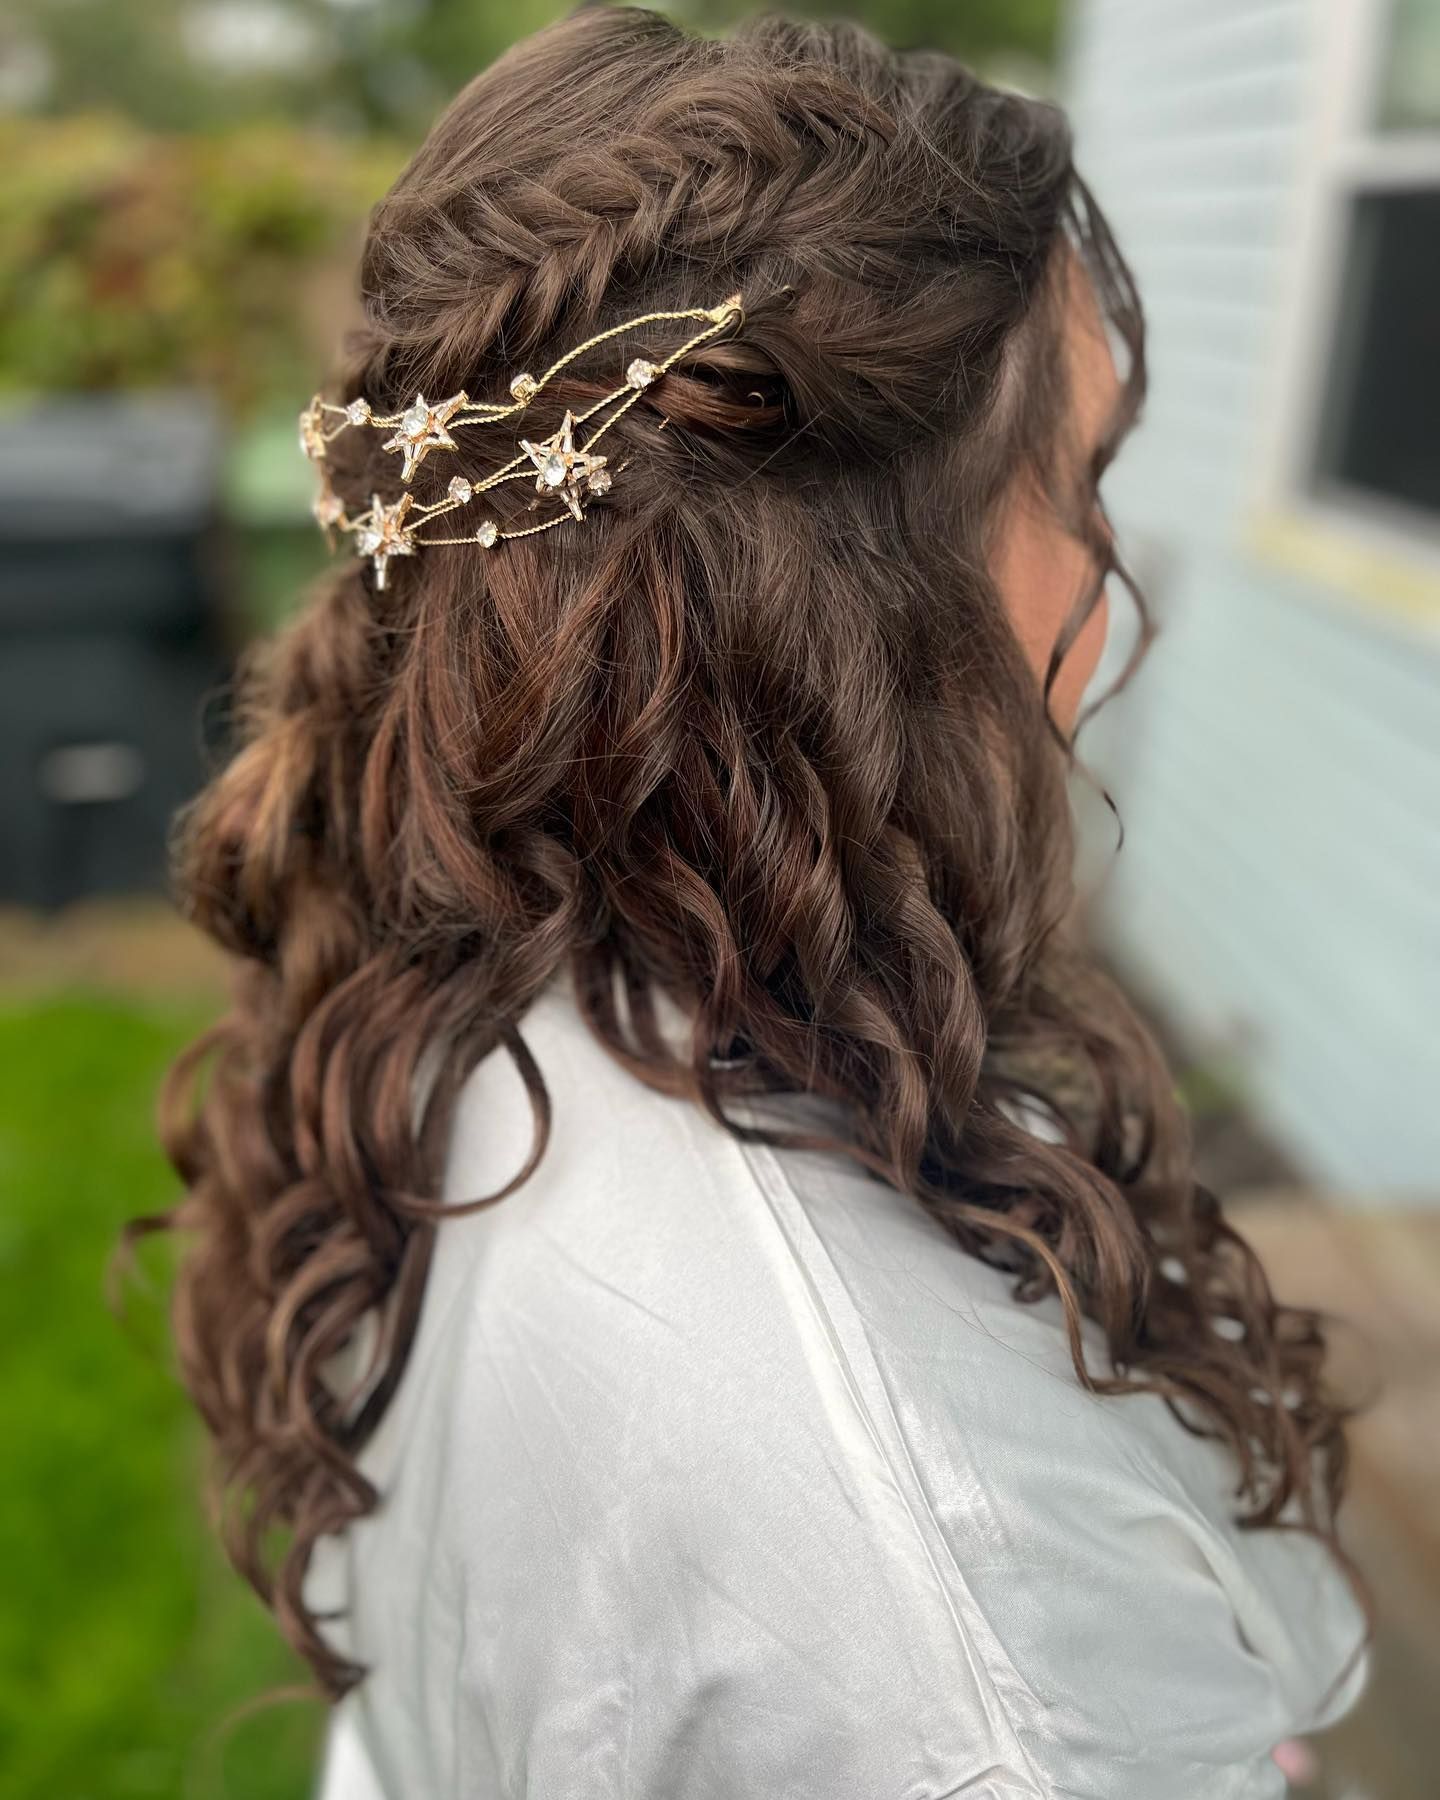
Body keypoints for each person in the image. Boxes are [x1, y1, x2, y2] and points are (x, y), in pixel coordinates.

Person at [143, 7, 1374, 1795]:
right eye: (1081, 484)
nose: (1114, 593)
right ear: (867, 601)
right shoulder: (976, 1648)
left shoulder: (477, 975)